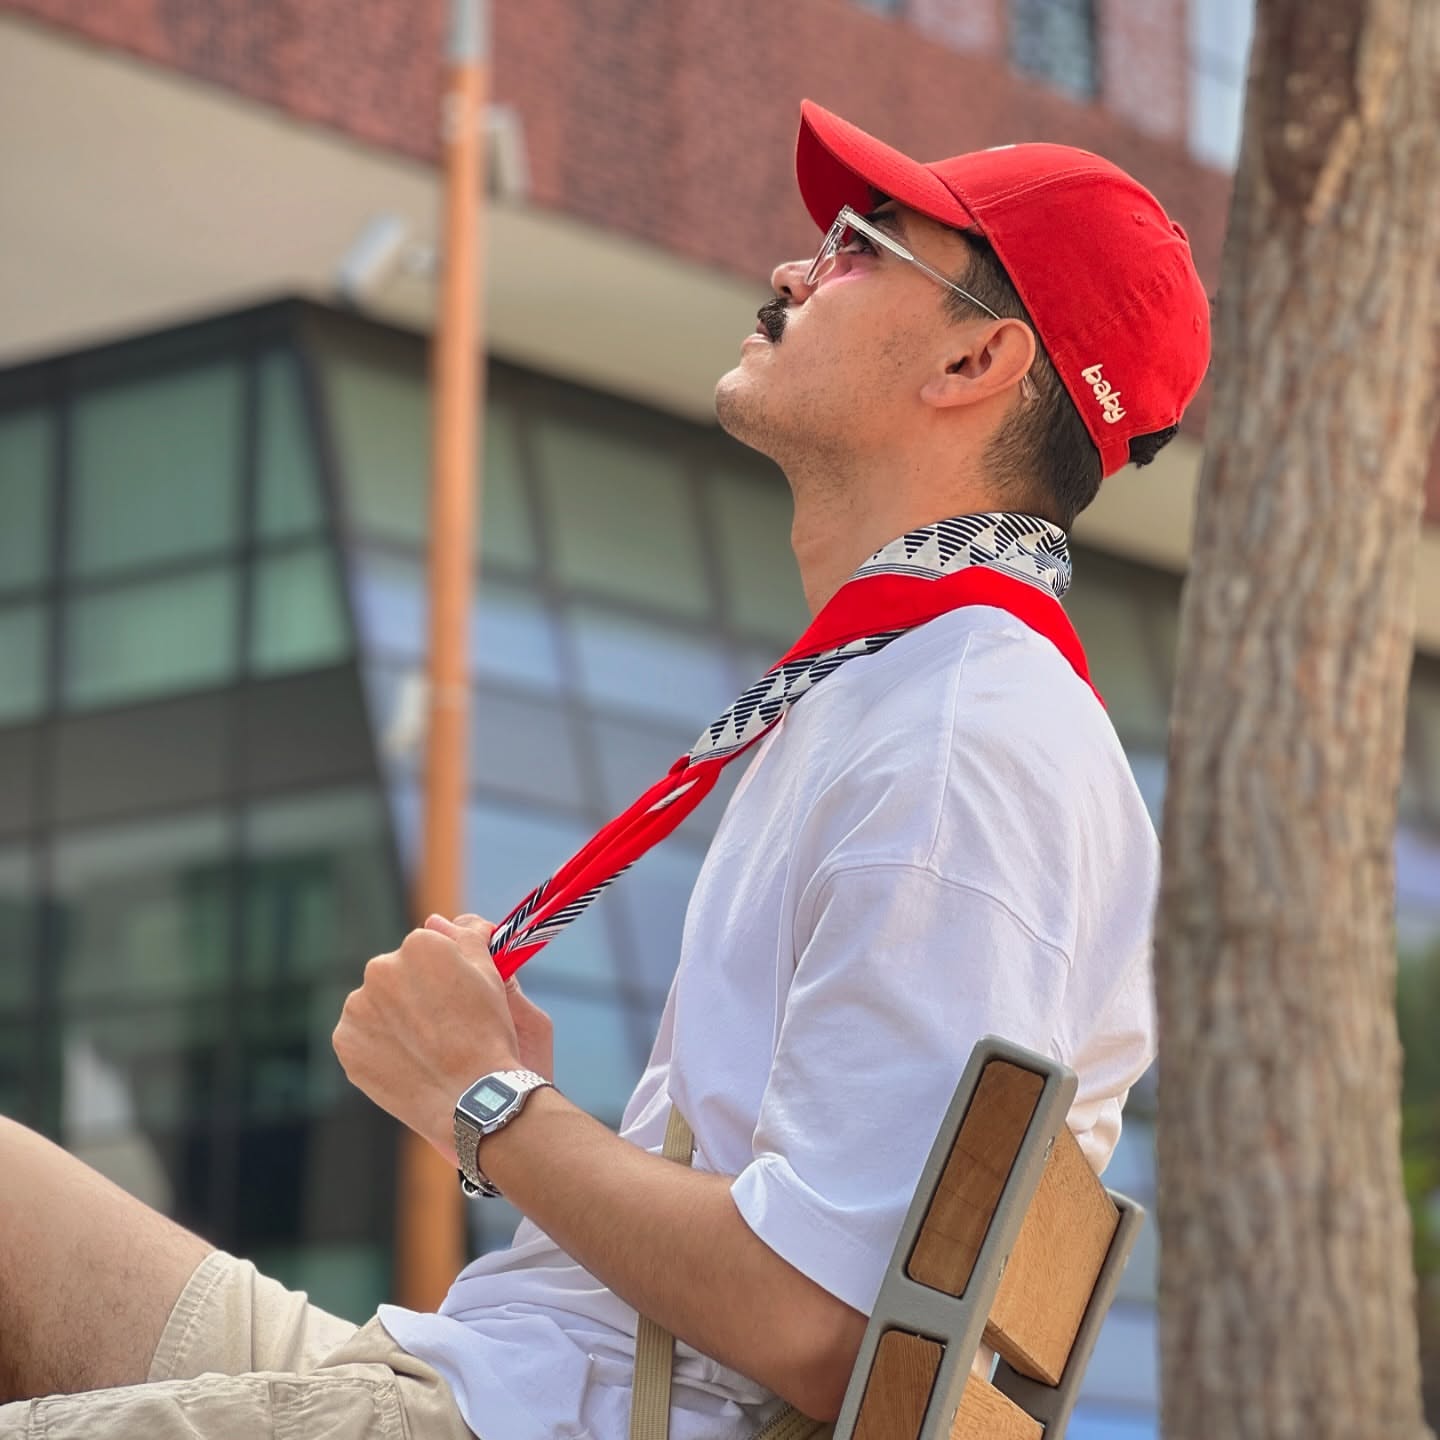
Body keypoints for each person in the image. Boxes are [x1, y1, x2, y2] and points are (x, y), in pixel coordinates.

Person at [0, 99, 1210, 1440]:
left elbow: (821, 1324)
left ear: (978, 359)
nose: (791, 273)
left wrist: (485, 1097)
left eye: (861, 247)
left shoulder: (962, 741)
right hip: (487, 1382)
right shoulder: (913, 690)